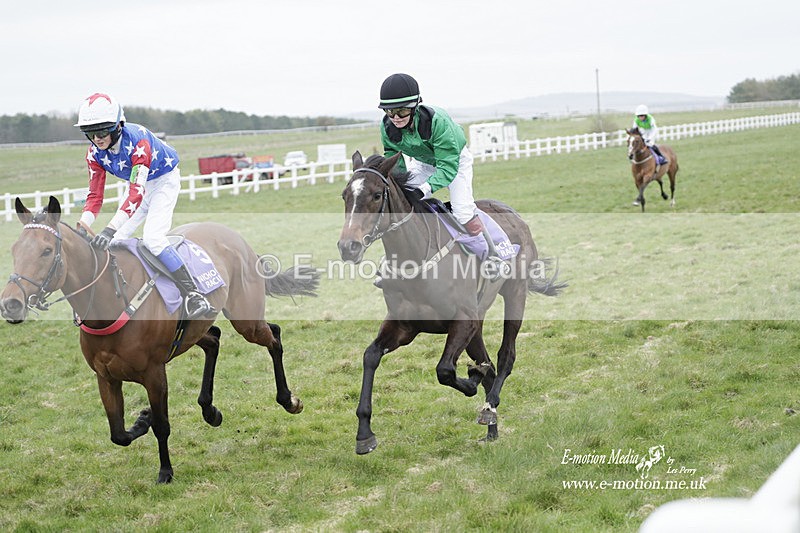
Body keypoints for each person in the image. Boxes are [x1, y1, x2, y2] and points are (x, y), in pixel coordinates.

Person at [74, 92, 212, 319]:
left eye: (102, 131)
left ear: (118, 126)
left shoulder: (139, 142)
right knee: (115, 243)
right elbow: (95, 196)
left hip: (163, 182)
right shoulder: (94, 154)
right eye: (90, 133)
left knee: (153, 240)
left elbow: (137, 193)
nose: (97, 139)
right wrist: (83, 224)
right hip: (138, 186)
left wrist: (108, 229)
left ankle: (194, 293)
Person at [377, 73, 503, 284]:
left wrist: (423, 190)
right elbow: (393, 157)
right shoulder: (387, 127)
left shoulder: (438, 122)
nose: (395, 117)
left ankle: (491, 256)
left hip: (454, 161)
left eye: (401, 110)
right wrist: (400, 186)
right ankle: (393, 262)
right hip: (423, 163)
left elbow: (447, 168)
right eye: (390, 112)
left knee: (462, 209)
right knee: (401, 204)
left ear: (416, 106)